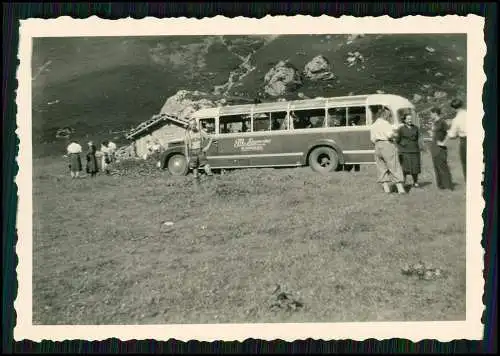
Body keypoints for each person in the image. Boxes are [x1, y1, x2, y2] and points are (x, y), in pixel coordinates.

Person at [370, 107, 406, 194]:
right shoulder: (386, 124)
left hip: (377, 146)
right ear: (385, 115)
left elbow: (372, 139)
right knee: (394, 165)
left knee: (381, 167)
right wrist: (395, 134)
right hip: (387, 144)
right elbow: (390, 135)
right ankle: (400, 189)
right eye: (389, 115)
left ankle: (386, 189)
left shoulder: (374, 125)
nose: (389, 117)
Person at [429, 107, 454, 190]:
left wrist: (443, 143)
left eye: (431, 113)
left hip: (440, 148)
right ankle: (441, 185)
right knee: (436, 166)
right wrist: (431, 136)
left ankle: (449, 185)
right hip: (434, 147)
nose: (430, 115)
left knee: (442, 166)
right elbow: (435, 134)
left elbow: (449, 133)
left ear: (435, 113)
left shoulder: (442, 122)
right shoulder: (434, 123)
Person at [396, 114, 423, 187]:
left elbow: (418, 138)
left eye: (410, 119)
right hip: (405, 151)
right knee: (405, 167)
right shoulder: (401, 129)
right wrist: (402, 145)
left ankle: (415, 182)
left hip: (414, 150)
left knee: (415, 167)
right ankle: (403, 182)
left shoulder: (415, 128)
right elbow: (397, 140)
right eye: (408, 119)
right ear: (404, 120)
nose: (410, 120)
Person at [447, 98, 467, 181]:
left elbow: (452, 135)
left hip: (465, 141)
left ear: (453, 108)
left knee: (466, 162)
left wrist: (447, 130)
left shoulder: (456, 119)